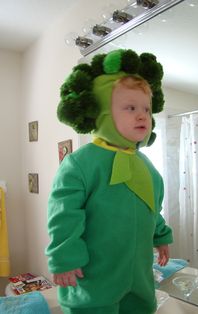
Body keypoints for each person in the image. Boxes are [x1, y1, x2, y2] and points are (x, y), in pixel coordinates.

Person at [45, 49, 173, 314]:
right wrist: (64, 258)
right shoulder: (80, 163)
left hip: (139, 279)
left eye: (146, 110)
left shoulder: (147, 167)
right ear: (103, 111)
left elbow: (153, 208)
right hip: (93, 278)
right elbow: (63, 215)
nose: (142, 116)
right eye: (130, 108)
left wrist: (161, 236)